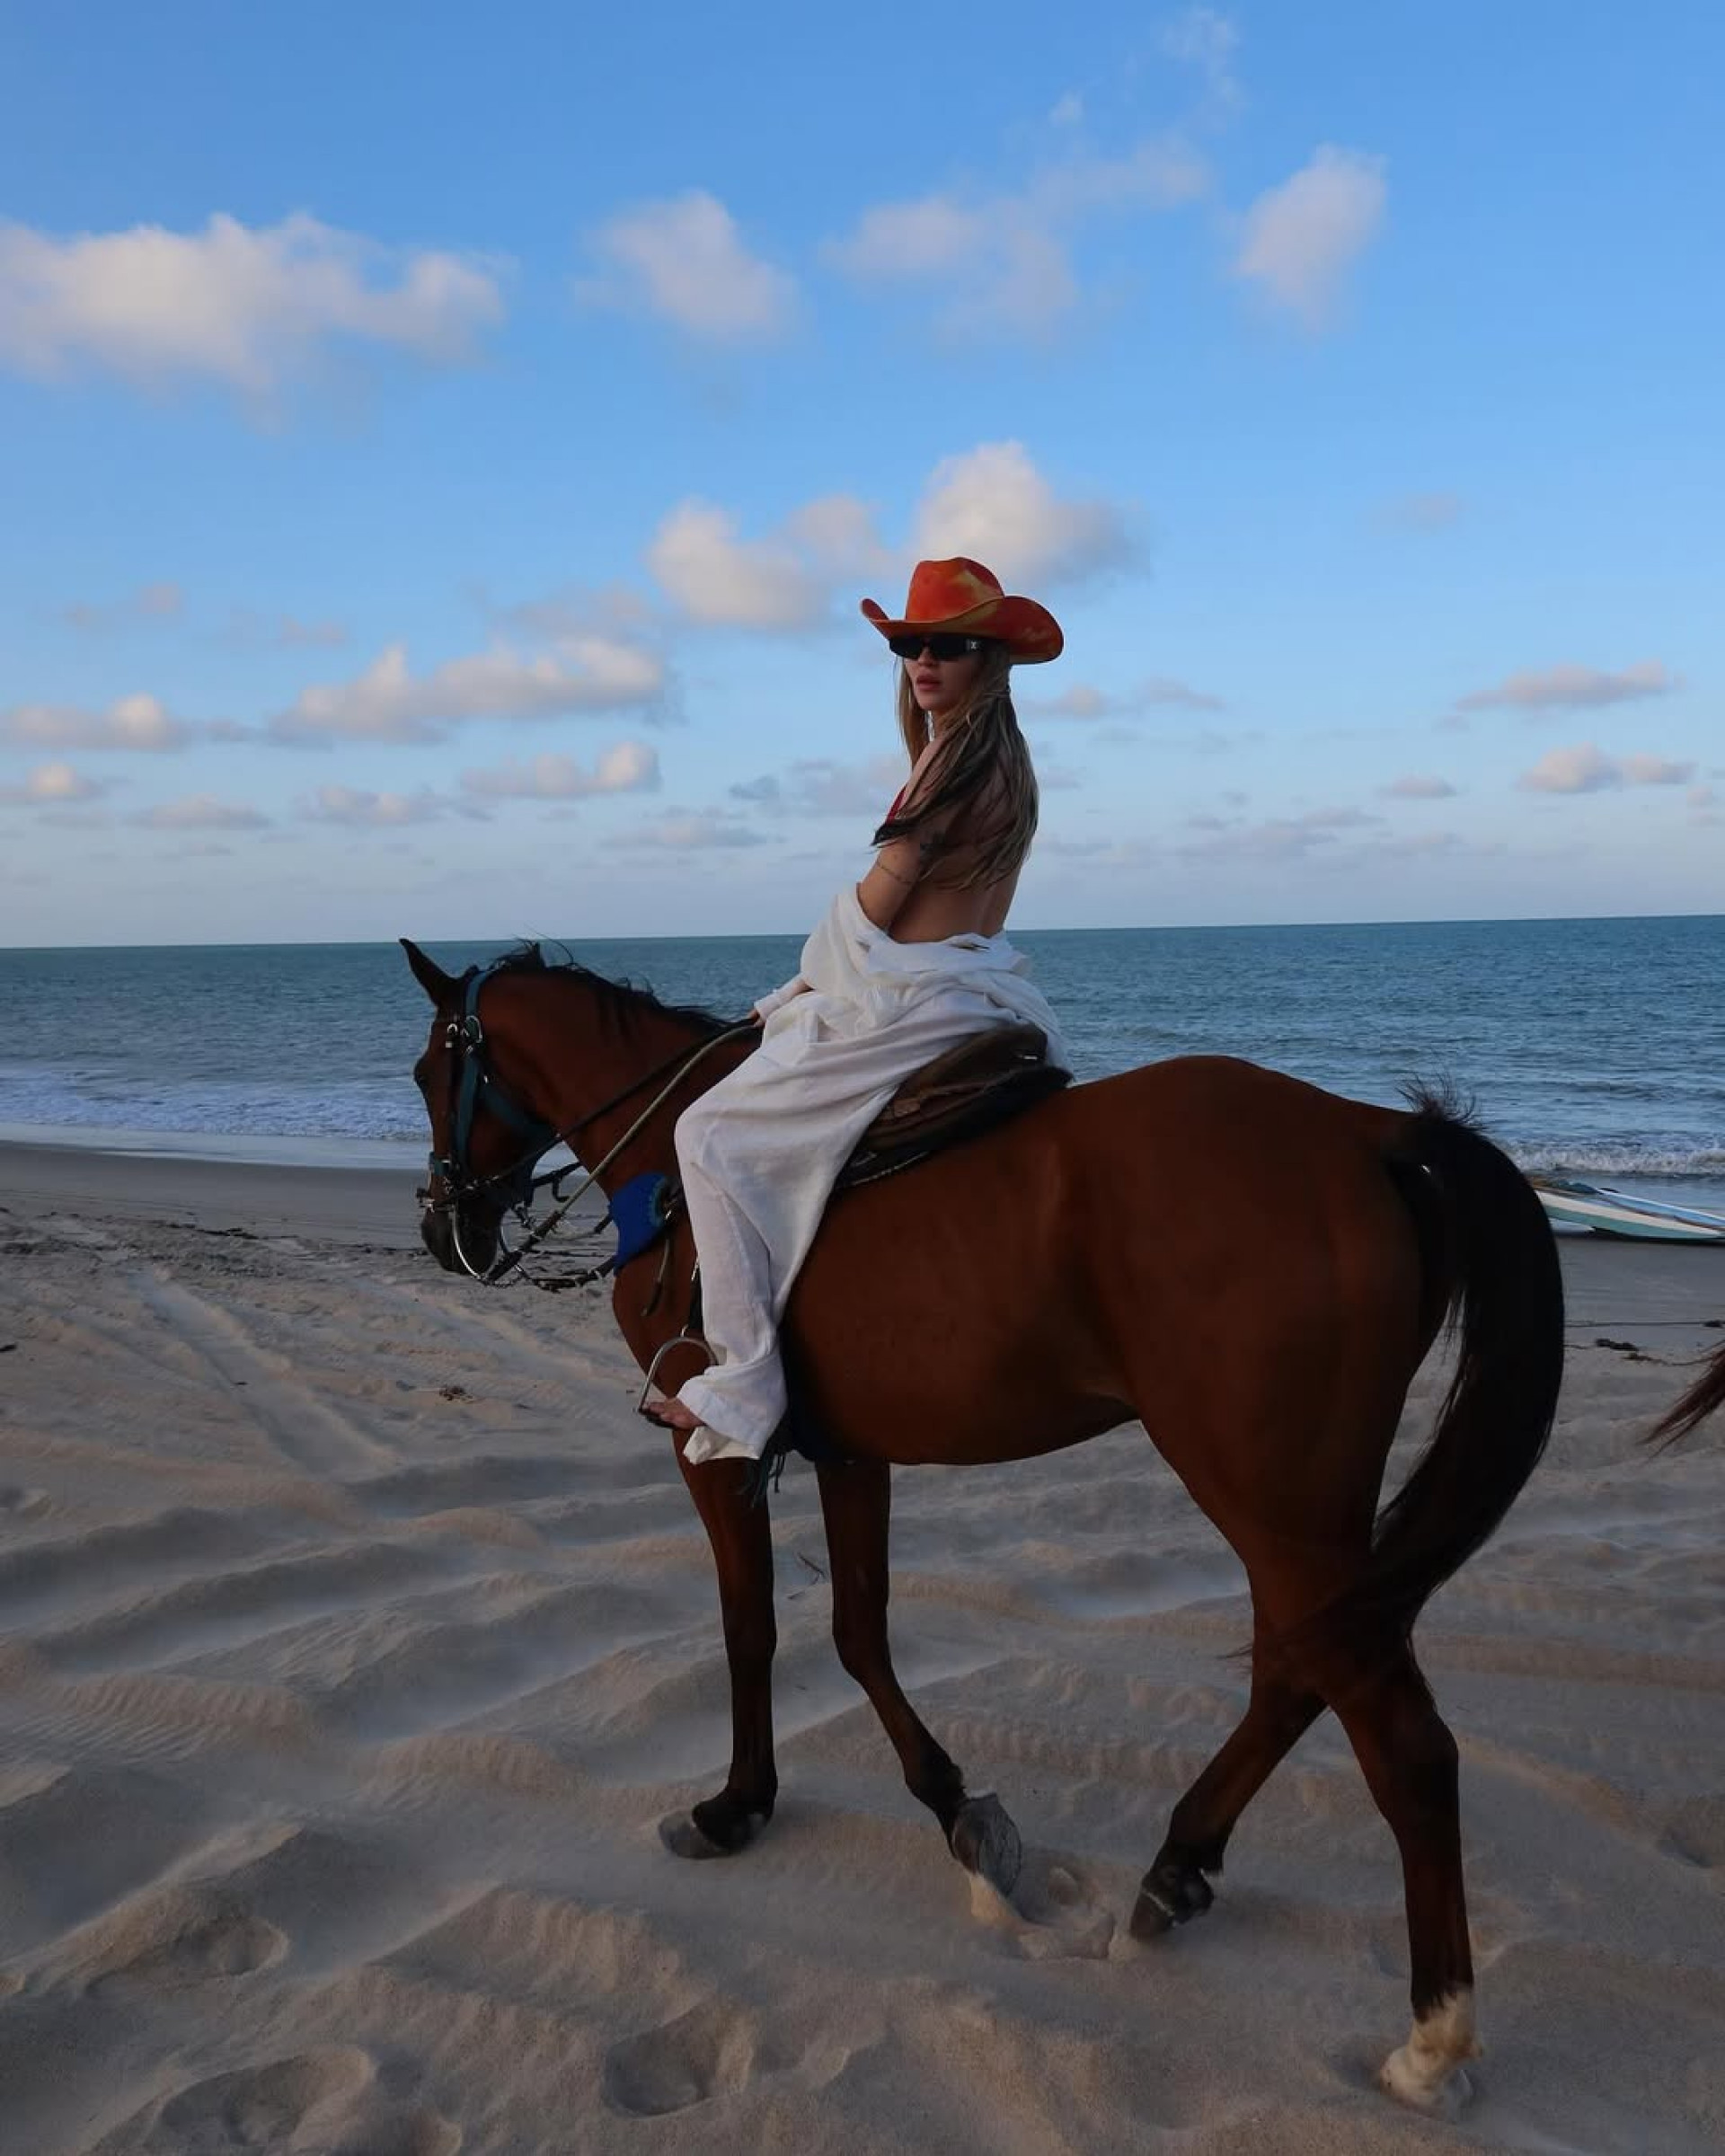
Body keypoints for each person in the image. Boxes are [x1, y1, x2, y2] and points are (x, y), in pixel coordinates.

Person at [642, 557, 1073, 1465]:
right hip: (975, 980)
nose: (925, 662)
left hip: (917, 994)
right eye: (911, 645)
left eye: (948, 646)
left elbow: (880, 908)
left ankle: (743, 1381)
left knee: (708, 1136)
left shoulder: (950, 767)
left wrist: (808, 970)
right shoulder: (1007, 763)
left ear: (988, 661)